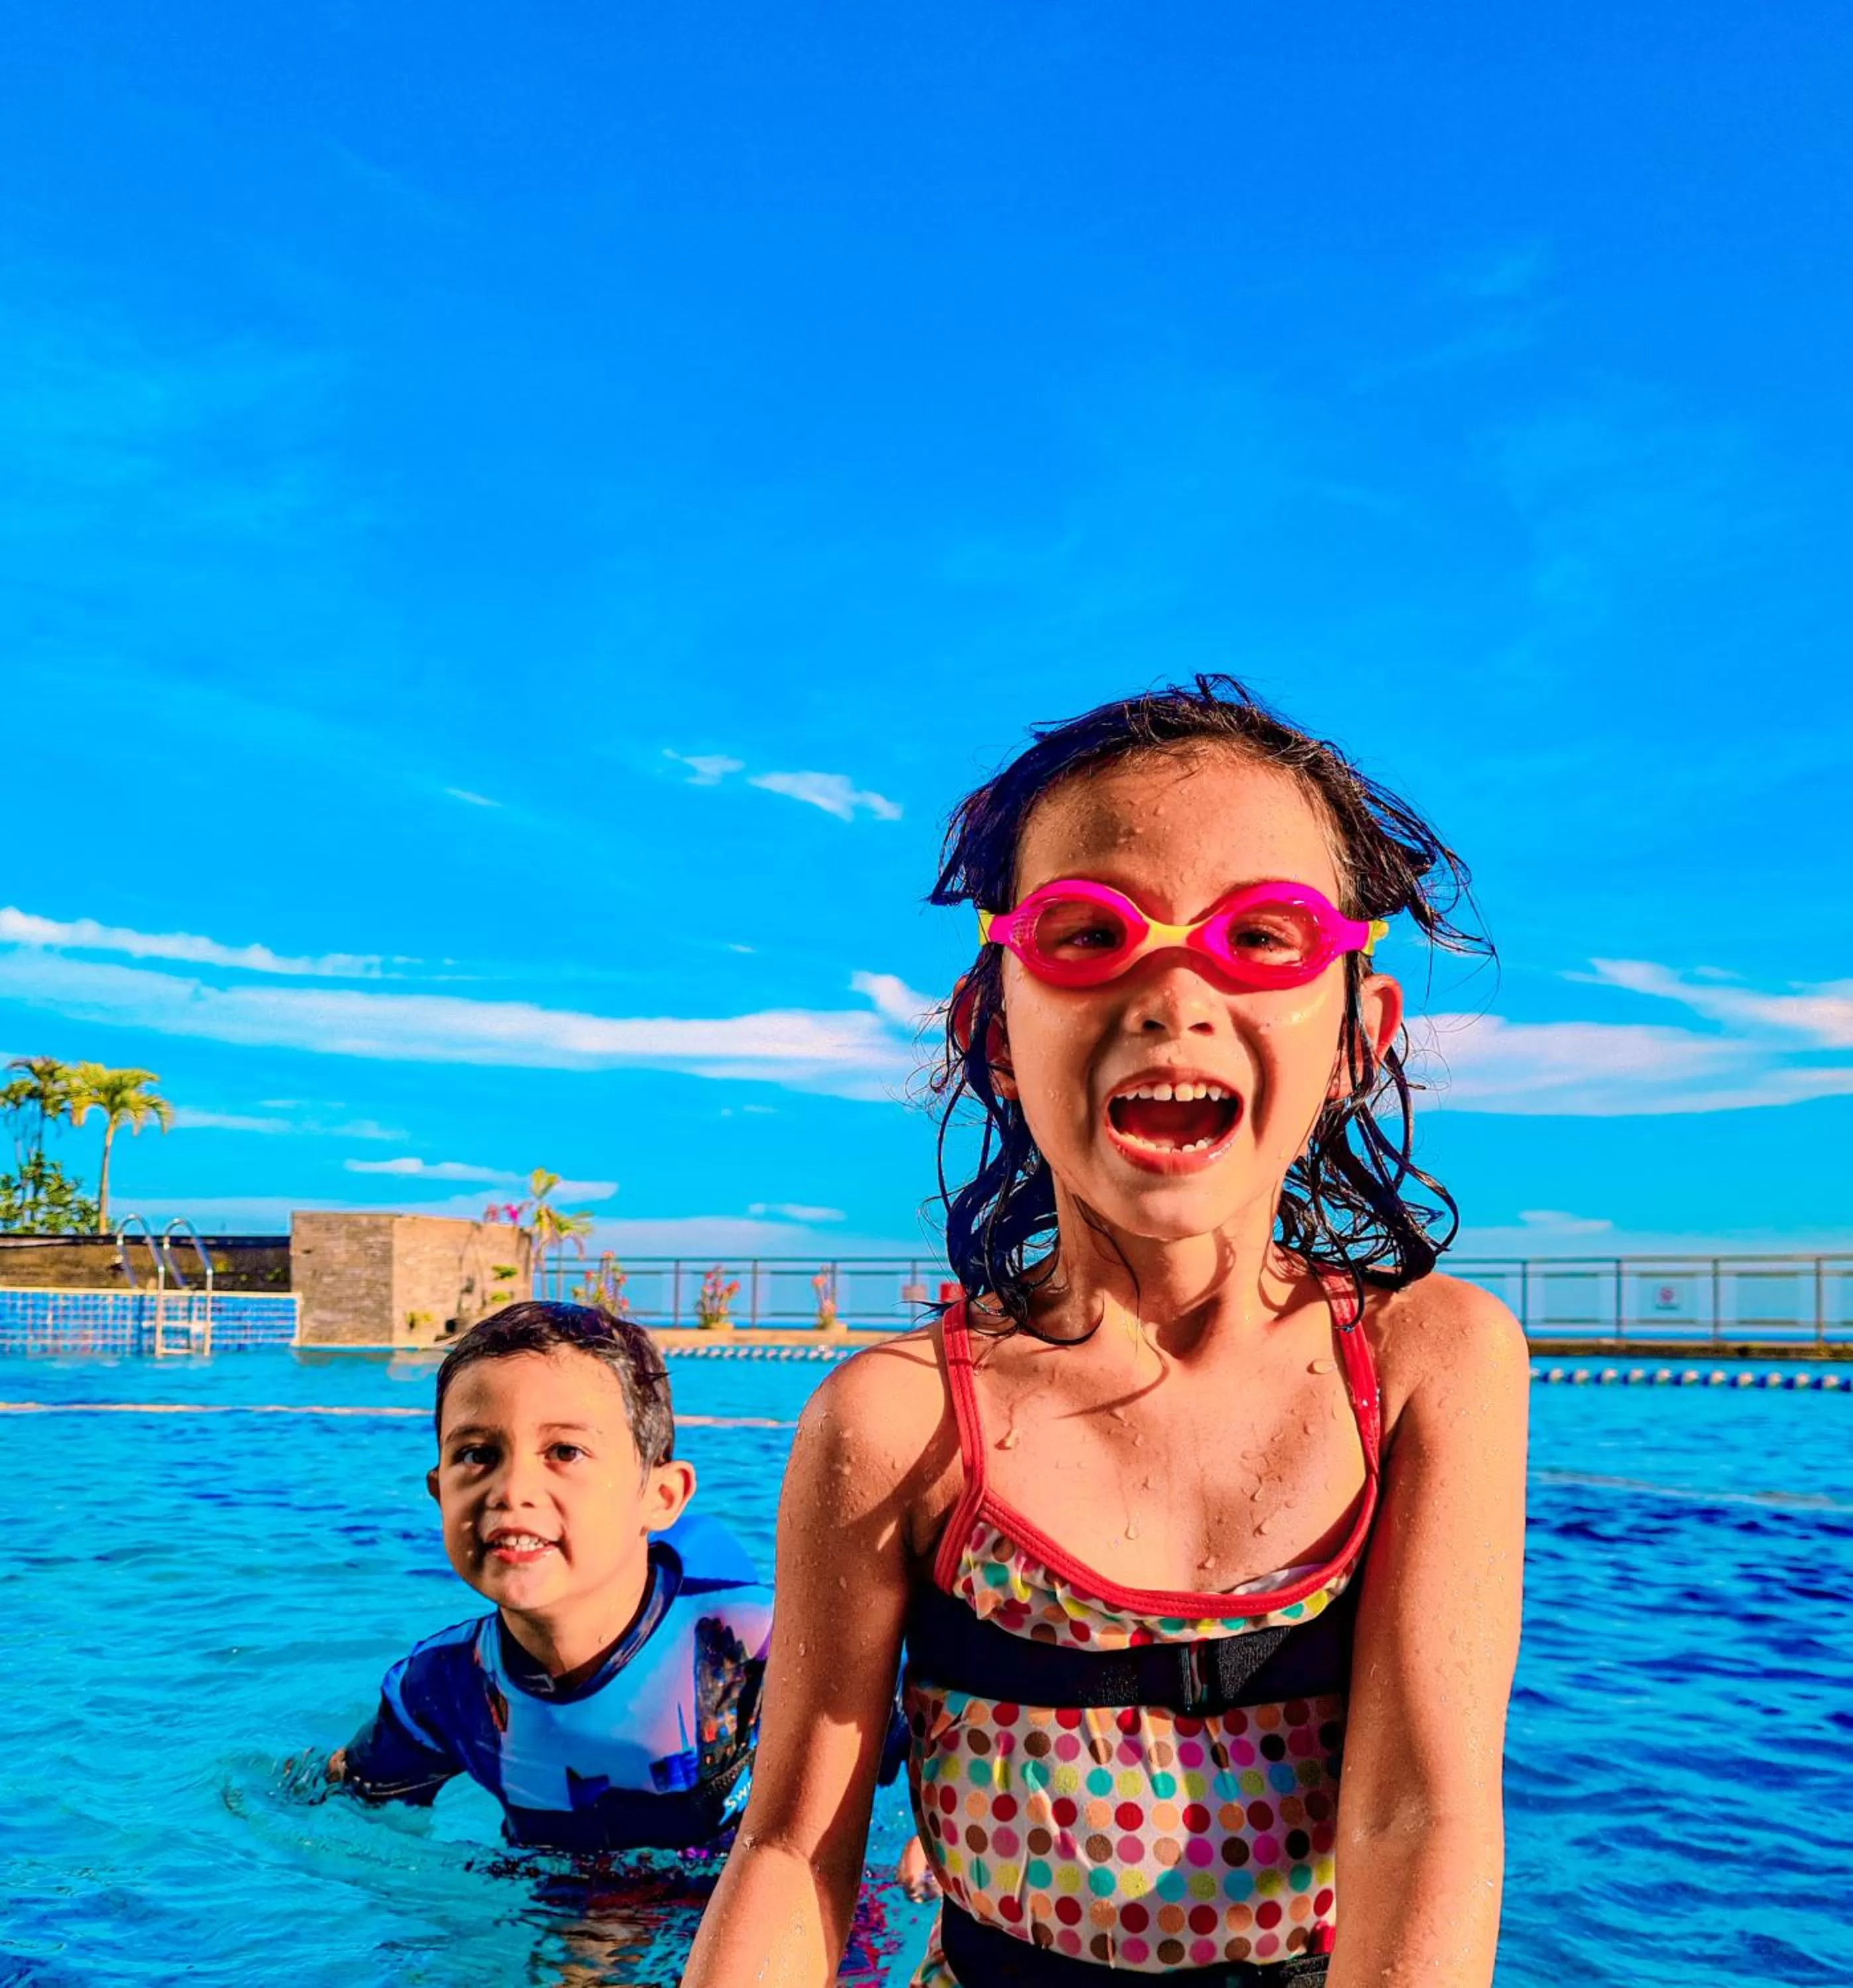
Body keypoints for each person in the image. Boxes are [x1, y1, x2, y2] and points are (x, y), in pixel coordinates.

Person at [684, 677, 1528, 1987]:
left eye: (1262, 937)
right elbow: (796, 1850)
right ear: (994, 1033)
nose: (1172, 992)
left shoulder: (1431, 1364)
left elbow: (1422, 1819)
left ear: (1361, 1035)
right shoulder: (898, 1420)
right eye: (1087, 935)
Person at [326, 1300, 773, 1852]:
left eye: (565, 1451)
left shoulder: (754, 1649)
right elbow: (354, 1801)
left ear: (661, 1497)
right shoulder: (442, 1687)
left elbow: (906, 1732)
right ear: (441, 1494)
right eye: (476, 1454)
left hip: (748, 1901)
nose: (512, 1490)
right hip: (555, 1907)